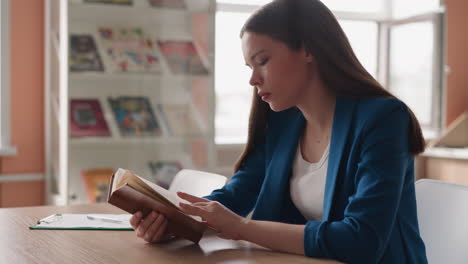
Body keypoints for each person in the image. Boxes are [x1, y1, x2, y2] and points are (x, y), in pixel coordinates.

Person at [129, 0, 428, 263]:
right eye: (249, 66)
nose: (253, 79)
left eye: (262, 61)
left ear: (309, 50)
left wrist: (242, 228)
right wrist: (175, 221)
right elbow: (235, 196)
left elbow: (362, 241)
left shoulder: (383, 119)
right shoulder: (283, 124)